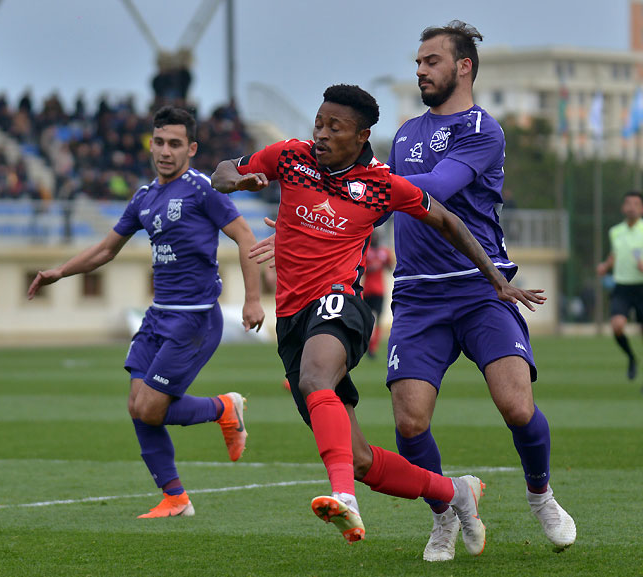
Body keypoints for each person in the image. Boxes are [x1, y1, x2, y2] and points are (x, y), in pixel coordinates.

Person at [212, 84, 544, 549]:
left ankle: (343, 496)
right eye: (319, 123)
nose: (322, 134)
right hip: (290, 317)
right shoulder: (289, 156)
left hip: (340, 303)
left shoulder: (381, 185)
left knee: (314, 379)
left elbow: (448, 221)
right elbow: (224, 172)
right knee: (361, 457)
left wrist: (496, 279)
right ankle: (456, 493)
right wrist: (236, 180)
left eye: (335, 127)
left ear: (362, 134)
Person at [384, 21, 576, 560]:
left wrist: (364, 182)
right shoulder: (403, 134)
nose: (420, 70)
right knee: (409, 421)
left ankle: (541, 496)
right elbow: (383, 207)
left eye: (431, 61)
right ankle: (448, 512)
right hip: (419, 296)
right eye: (418, 62)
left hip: (480, 288)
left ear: (463, 67)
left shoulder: (482, 129)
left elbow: (438, 190)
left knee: (517, 406)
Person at [27, 106, 265, 518]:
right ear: (150, 145)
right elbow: (105, 249)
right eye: (159, 142)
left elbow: (245, 237)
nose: (165, 151)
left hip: (193, 319)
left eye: (175, 144)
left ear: (191, 148)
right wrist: (60, 272)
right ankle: (175, 498)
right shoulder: (144, 197)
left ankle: (224, 408)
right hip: (158, 317)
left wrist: (253, 298)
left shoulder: (203, 189)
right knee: (136, 405)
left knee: (151, 408)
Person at [596, 190, 643, 382]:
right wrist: (606, 265)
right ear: (624, 207)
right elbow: (615, 255)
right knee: (617, 326)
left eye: (636, 204)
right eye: (628, 203)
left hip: (641, 288)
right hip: (622, 288)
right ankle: (631, 358)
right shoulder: (615, 231)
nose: (631, 207)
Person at [362, 229, 394, 359]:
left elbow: (390, 267)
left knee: (379, 321)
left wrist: (386, 262)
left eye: (377, 237)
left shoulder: (384, 252)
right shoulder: (366, 251)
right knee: (367, 321)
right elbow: (361, 268)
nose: (375, 238)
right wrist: (371, 267)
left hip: (379, 291)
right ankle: (365, 345)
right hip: (367, 290)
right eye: (373, 236)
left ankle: (373, 348)